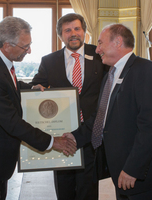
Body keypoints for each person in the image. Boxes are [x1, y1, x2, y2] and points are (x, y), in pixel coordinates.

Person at [0, 16, 76, 200]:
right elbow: (12, 122)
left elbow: (8, 85)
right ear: (7, 45)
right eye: (25, 46)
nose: (29, 51)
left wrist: (30, 88)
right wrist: (53, 141)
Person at [64, 24, 152, 200]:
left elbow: (150, 126)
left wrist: (133, 168)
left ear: (118, 42)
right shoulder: (110, 74)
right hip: (120, 171)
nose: (97, 49)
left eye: (101, 43)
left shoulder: (145, 70)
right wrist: (74, 137)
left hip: (142, 174)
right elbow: (101, 118)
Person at [31, 13, 109, 200]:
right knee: (64, 188)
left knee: (88, 188)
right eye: (67, 30)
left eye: (77, 29)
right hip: (62, 135)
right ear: (60, 35)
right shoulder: (49, 61)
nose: (73, 34)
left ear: (84, 32)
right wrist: (36, 88)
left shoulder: (99, 54)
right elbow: (37, 84)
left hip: (91, 131)